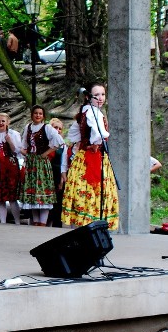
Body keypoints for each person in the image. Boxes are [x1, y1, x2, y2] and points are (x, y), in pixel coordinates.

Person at [61, 83, 119, 229]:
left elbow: (75, 136)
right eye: (97, 95)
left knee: (89, 195)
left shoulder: (85, 112)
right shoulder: (93, 113)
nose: (100, 98)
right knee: (91, 194)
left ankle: (86, 229)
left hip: (87, 157)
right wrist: (92, 144)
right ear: (88, 97)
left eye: (103, 94)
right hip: (90, 159)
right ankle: (88, 231)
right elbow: (97, 137)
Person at [18, 105, 65, 226]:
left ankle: (43, 222)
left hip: (42, 163)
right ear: (32, 114)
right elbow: (23, 145)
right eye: (36, 113)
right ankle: (36, 221)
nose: (38, 115)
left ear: (43, 116)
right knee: (33, 192)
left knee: (43, 191)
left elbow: (59, 141)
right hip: (31, 162)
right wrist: (27, 154)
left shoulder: (47, 127)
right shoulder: (28, 127)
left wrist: (46, 153)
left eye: (40, 113)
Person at [0, 112, 22, 224]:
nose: (1, 123)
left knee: (12, 196)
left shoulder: (13, 134)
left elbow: (17, 151)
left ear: (8, 122)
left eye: (3, 121)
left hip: (10, 166)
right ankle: (2, 222)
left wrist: (10, 141)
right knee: (0, 197)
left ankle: (17, 221)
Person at [48, 117, 68, 228]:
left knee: (57, 201)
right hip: (47, 172)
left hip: (57, 174)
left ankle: (56, 225)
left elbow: (63, 163)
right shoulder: (47, 142)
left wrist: (61, 180)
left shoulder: (63, 145)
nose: (58, 130)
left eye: (60, 128)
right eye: (56, 127)